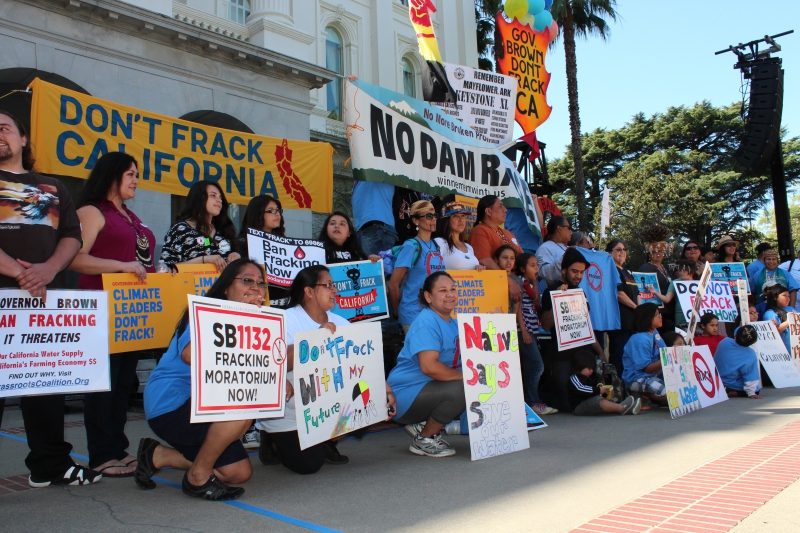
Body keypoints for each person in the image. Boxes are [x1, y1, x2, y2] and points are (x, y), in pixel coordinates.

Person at [0, 110, 95, 487]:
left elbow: (72, 236)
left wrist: (50, 270)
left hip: (41, 302)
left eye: (4, 128)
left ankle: (50, 464)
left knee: (43, 387)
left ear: (23, 139)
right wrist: (22, 273)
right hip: (10, 293)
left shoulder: (53, 187)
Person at [135, 260, 266, 500]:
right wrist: (237, 316)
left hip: (208, 404)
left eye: (261, 283)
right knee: (245, 400)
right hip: (171, 403)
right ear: (226, 287)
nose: (256, 288)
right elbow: (189, 354)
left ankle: (158, 456)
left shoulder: (258, 325)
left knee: (238, 472)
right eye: (247, 280)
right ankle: (198, 477)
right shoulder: (206, 313)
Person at [256, 265, 395, 471]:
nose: (335, 290)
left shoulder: (341, 322)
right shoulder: (285, 320)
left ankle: (325, 440)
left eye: (334, 285)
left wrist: (386, 391)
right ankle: (272, 439)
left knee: (373, 404)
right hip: (290, 412)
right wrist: (316, 340)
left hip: (325, 407)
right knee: (308, 465)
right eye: (329, 285)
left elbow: (362, 363)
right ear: (309, 291)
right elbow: (276, 362)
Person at [69, 152, 156, 478]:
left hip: (132, 313)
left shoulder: (131, 216)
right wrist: (120, 266)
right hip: (102, 310)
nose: (136, 180)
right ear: (112, 175)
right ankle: (101, 454)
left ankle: (117, 448)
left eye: (137, 174)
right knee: (102, 385)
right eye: (131, 174)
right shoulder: (92, 211)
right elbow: (75, 258)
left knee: (122, 384)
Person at [387, 272, 465, 457]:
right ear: (428, 297)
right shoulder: (427, 321)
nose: (450, 294)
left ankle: (424, 422)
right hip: (404, 394)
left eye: (453, 289)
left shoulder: (453, 322)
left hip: (425, 390)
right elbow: (429, 367)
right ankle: (425, 438)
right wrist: (466, 377)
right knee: (463, 387)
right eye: (443, 290)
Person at [539, 248, 605, 413]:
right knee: (568, 402)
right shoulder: (550, 291)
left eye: (582, 272)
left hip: (584, 354)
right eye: (574, 271)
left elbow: (586, 324)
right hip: (563, 357)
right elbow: (546, 325)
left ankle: (600, 404)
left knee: (586, 392)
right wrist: (559, 300)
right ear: (563, 270)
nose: (578, 276)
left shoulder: (581, 292)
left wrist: (600, 351)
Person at [388, 200, 445, 333]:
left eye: (435, 216)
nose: (433, 220)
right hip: (413, 314)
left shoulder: (435, 246)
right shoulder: (410, 246)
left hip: (433, 314)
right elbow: (393, 284)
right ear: (415, 221)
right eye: (428, 216)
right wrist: (397, 312)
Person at [160, 180, 240, 271]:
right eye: (213, 196)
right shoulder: (180, 230)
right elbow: (167, 268)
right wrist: (204, 259)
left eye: (220, 197)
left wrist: (237, 255)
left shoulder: (223, 230)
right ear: (199, 199)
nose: (219, 200)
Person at [516, 254, 557, 415]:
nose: (536, 269)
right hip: (524, 330)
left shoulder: (532, 284)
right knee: (537, 365)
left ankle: (528, 401)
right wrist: (524, 330)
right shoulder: (520, 282)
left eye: (536, 265)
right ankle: (533, 401)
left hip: (532, 329)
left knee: (529, 366)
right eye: (532, 265)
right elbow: (518, 307)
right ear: (522, 268)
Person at [468, 195, 523, 301]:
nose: (505, 210)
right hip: (498, 288)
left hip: (519, 284)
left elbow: (523, 259)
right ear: (488, 211)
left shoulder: (508, 233)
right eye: (500, 206)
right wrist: (507, 281)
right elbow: (484, 260)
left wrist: (532, 282)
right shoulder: (480, 231)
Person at [568, 351, 641, 416]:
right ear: (580, 366)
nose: (591, 371)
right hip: (579, 406)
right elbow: (581, 388)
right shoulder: (574, 378)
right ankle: (622, 408)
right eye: (589, 368)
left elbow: (593, 391)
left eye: (592, 368)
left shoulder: (590, 377)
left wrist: (606, 393)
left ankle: (626, 408)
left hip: (589, 402)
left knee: (601, 400)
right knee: (598, 401)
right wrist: (599, 390)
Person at [621, 304, 667, 405]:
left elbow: (665, 351)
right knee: (669, 393)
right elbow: (646, 368)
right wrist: (668, 358)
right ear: (647, 318)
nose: (660, 316)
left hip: (654, 374)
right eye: (657, 314)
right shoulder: (640, 339)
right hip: (637, 378)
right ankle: (642, 394)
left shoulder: (655, 333)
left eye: (660, 313)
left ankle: (648, 395)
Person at [606, 239, 638, 375]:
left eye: (624, 249)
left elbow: (637, 294)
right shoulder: (611, 269)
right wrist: (636, 308)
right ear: (610, 253)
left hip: (632, 322)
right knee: (618, 355)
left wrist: (640, 311)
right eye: (618, 249)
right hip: (620, 322)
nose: (622, 252)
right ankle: (616, 387)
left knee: (630, 356)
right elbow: (618, 294)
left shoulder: (627, 272)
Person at [713, 326, 763, 399]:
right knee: (756, 389)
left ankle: (724, 390)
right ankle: (731, 392)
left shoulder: (724, 342)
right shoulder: (750, 354)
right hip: (733, 385)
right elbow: (751, 376)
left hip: (717, 380)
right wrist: (751, 393)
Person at [433, 202, 483, 271]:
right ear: (446, 221)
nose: (461, 219)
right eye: (455, 216)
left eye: (463, 215)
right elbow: (432, 271)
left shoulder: (469, 247)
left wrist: (479, 269)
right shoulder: (440, 242)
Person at [352, 181, 397, 257]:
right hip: (361, 231)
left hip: (377, 228)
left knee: (381, 267)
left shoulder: (376, 171)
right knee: (371, 268)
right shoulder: (357, 179)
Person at [649, 259, 695, 328]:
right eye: (680, 270)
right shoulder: (675, 283)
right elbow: (667, 299)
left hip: (696, 318)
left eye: (684, 270)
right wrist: (655, 292)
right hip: (681, 317)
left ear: (691, 271)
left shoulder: (699, 282)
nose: (681, 272)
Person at [536, 216, 572, 285]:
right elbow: (544, 274)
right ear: (559, 228)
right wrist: (565, 257)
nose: (570, 231)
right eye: (568, 228)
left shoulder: (567, 247)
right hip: (557, 292)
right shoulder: (544, 248)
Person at [763, 284, 793, 354]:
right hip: (783, 352)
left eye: (788, 296)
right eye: (784, 296)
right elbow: (772, 333)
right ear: (775, 297)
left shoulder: (791, 309)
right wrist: (790, 321)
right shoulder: (770, 313)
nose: (788, 298)